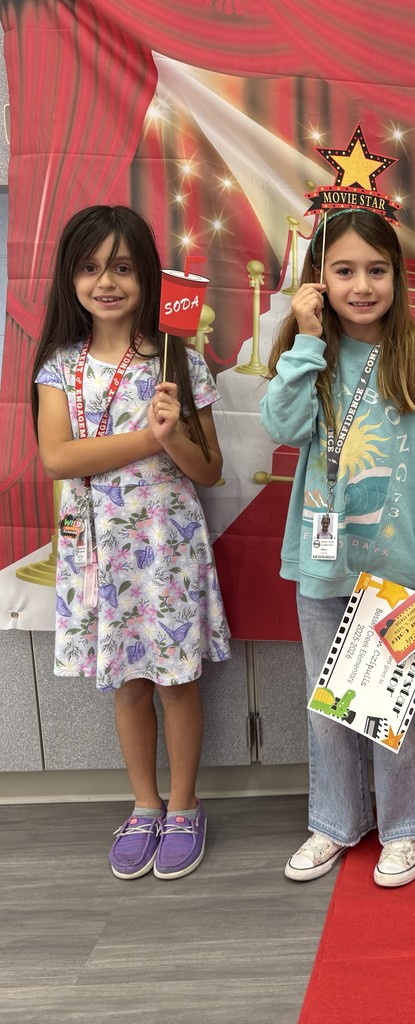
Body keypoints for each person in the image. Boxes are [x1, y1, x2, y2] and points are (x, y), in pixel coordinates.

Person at [261, 208, 415, 889]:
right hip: (322, 569)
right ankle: (334, 821)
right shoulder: (310, 359)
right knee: (329, 709)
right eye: (343, 271)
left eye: (376, 270)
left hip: (399, 574)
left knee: (391, 709)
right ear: (319, 283)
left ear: (397, 278)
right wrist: (307, 340)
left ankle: (404, 826)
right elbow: (281, 427)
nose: (362, 285)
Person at [31, 205, 230, 880]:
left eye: (121, 266)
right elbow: (57, 458)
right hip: (98, 555)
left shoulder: (178, 362)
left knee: (176, 683)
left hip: (166, 551)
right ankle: (143, 805)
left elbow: (211, 470)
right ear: (70, 278)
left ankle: (183, 806)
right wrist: (149, 438)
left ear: (147, 275)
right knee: (127, 683)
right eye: (90, 267)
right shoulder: (60, 366)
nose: (105, 282)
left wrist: (175, 436)